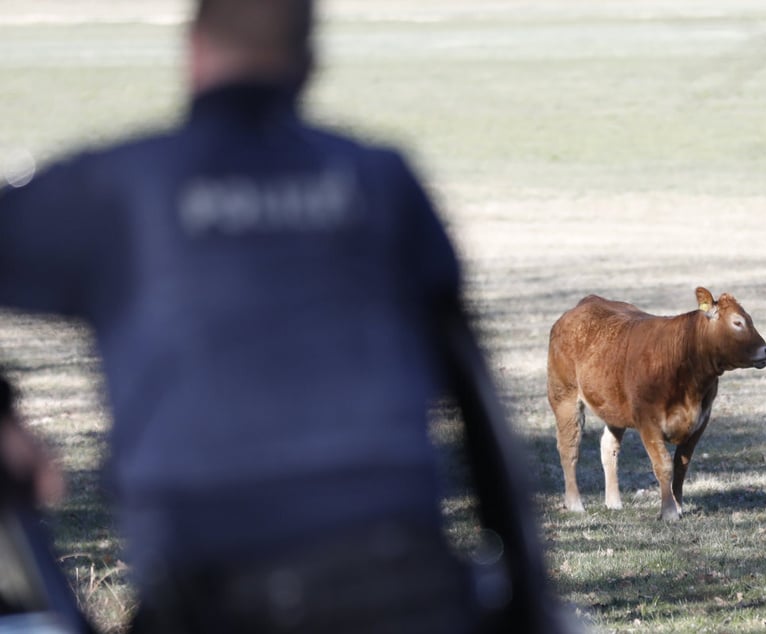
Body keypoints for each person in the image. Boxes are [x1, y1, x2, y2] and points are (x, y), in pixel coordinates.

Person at [0, 1, 560, 632]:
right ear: (309, 62)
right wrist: (525, 593)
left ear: (192, 49)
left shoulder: (116, 187)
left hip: (208, 587)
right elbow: (474, 392)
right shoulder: (380, 179)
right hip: (405, 578)